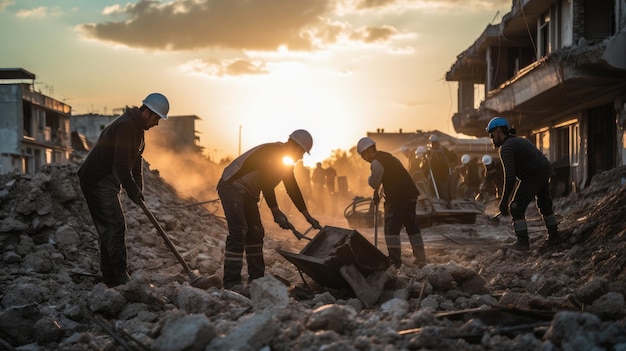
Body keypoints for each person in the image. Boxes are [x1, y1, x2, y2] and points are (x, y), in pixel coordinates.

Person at [77, 93, 169, 287]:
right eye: (157, 118)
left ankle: (110, 277)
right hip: (97, 178)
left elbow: (136, 161)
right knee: (115, 225)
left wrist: (138, 188)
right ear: (148, 113)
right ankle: (119, 275)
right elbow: (121, 164)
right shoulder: (127, 125)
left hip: (107, 180)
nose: (157, 124)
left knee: (108, 227)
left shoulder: (137, 129)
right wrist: (131, 189)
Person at [217, 129, 323, 293]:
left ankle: (257, 278)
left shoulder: (285, 162)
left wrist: (308, 216)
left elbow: (292, 189)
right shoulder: (274, 153)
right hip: (232, 186)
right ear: (294, 146)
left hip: (249, 194)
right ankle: (231, 282)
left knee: (256, 233)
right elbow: (266, 183)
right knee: (239, 232)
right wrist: (276, 212)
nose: (301, 157)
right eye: (301, 152)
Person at [486, 117, 561, 251]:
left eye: (492, 134)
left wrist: (504, 201)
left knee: (516, 208)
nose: (492, 138)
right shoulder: (518, 140)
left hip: (533, 175)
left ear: (498, 131)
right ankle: (554, 236)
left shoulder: (506, 148)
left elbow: (510, 177)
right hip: (544, 171)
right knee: (545, 205)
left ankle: (522, 242)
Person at [356, 137, 427, 268]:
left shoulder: (376, 162)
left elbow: (374, 182)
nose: (363, 159)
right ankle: (421, 258)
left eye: (363, 155)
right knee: (412, 226)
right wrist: (376, 194)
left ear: (367, 152)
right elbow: (386, 177)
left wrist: (370, 182)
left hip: (398, 198)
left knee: (391, 229)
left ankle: (395, 262)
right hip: (410, 195)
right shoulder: (387, 157)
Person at [425, 135, 456, 203]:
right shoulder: (430, 151)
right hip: (434, 175)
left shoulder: (443, 150)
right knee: (432, 189)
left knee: (445, 191)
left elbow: (451, 158)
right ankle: (437, 202)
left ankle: (448, 204)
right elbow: (427, 162)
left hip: (443, 175)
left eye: (435, 143)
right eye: (433, 143)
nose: (434, 145)